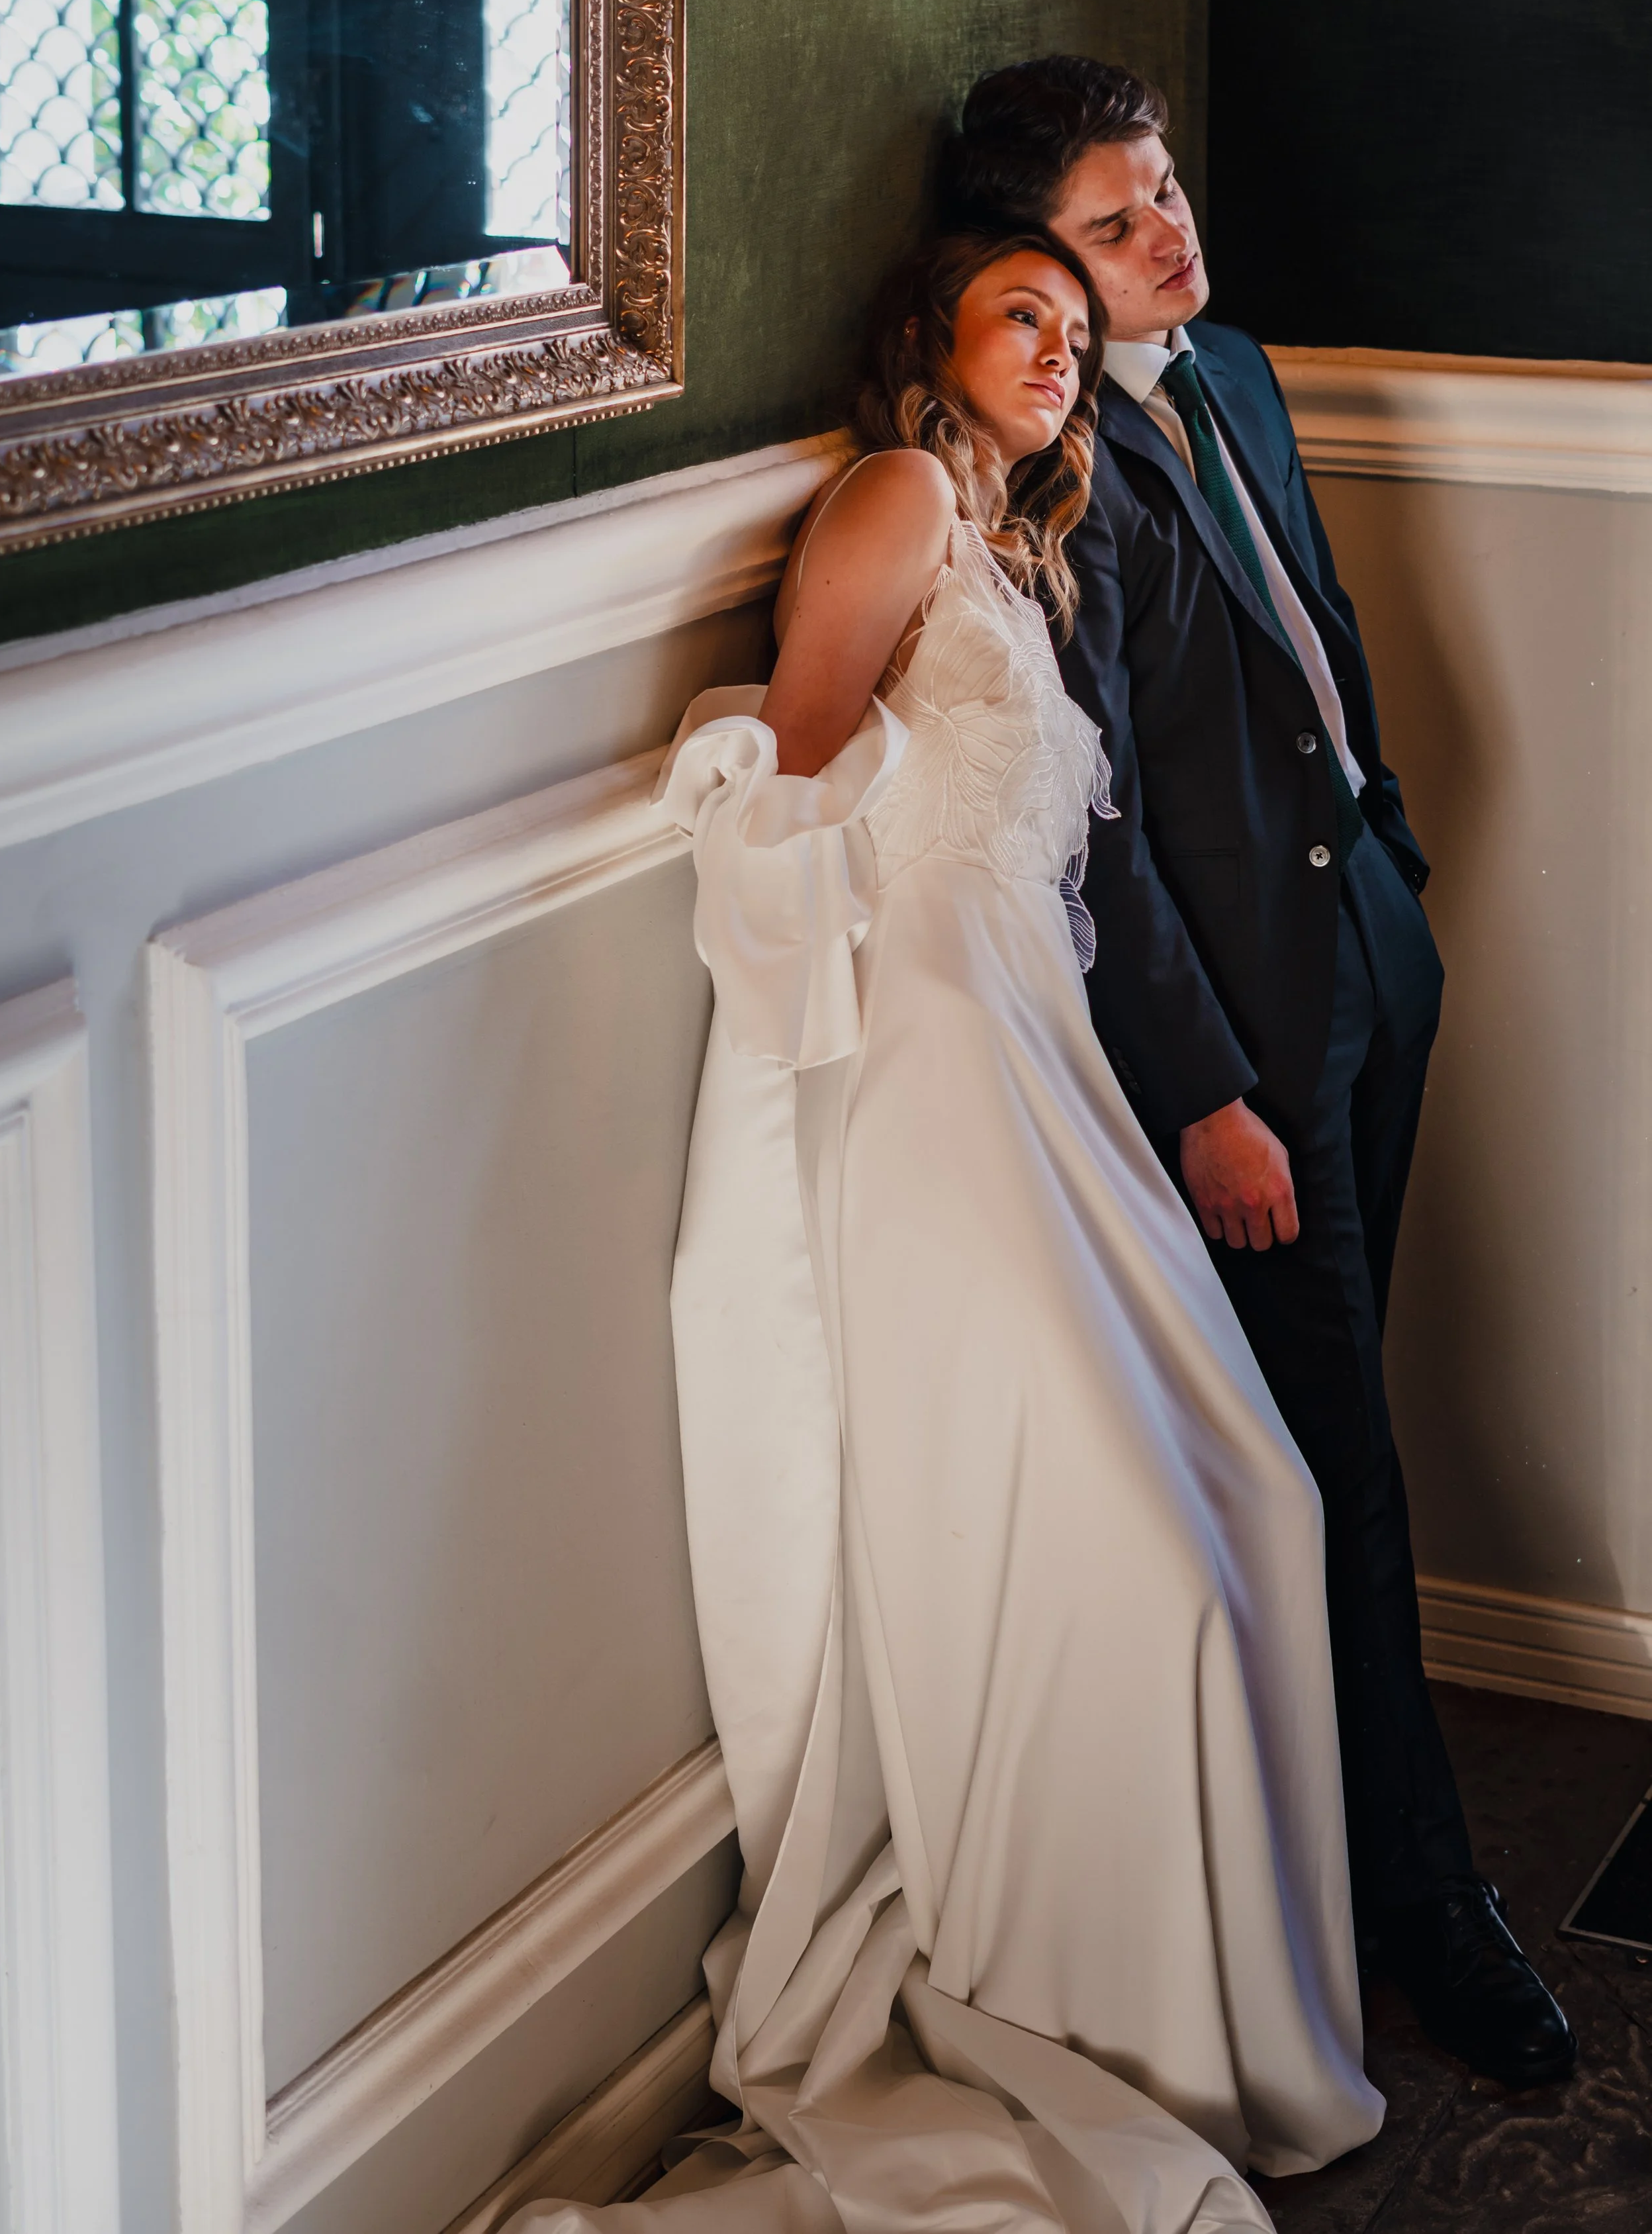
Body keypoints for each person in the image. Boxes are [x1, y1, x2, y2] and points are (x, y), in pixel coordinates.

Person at [505, 228, 1381, 2234]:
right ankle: (1092, 2006)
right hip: (921, 1080)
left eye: (1076, 333)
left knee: (1245, 1502)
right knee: (1144, 1548)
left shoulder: (1012, 541)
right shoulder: (895, 493)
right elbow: (795, 761)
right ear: (931, 341)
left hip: (1029, 1069)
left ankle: (1185, 2023)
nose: (1062, 353)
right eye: (1026, 319)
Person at [935, 55, 1575, 2091]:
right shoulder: (1053, 466)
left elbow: (1315, 660)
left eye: (1168, 195)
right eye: (1116, 226)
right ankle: (1420, 1901)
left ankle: (1317, 1841)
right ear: (1031, 258)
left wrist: (1391, 872)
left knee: (1342, 1421)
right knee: (1339, 1471)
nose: (1170, 240)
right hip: (1240, 1039)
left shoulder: (1234, 376)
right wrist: (1207, 1086)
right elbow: (1099, 814)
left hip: (1368, 950)